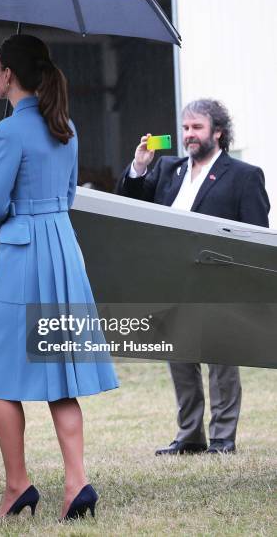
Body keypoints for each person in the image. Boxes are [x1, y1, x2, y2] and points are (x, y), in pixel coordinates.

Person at [0, 34, 118, 521]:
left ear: (9, 75)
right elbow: (69, 198)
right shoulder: (67, 125)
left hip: (24, 254)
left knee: (1, 378)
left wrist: (15, 208)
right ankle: (77, 482)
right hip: (63, 247)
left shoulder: (9, 131)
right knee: (61, 377)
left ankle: (17, 486)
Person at [117, 98, 270, 455]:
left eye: (197, 128)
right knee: (180, 361)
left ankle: (222, 439)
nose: (189, 135)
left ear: (218, 132)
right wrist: (139, 167)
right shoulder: (168, 168)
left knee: (221, 363)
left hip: (220, 282)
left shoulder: (244, 175)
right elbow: (131, 204)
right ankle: (189, 436)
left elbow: (257, 235)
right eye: (185, 128)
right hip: (172, 280)